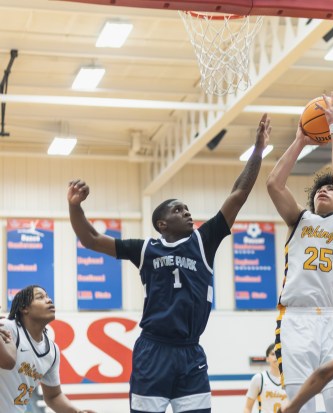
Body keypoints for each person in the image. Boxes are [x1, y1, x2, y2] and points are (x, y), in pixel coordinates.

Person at [67, 114, 271, 413]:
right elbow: (91, 239)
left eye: (188, 209)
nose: (188, 213)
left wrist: (257, 149)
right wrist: (75, 207)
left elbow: (238, 194)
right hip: (153, 350)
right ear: (162, 223)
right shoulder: (146, 249)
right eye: (179, 210)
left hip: (190, 351)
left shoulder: (203, 241)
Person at [266, 92, 333, 413]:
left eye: (331, 190)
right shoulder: (299, 220)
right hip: (295, 320)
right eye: (319, 189)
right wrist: (299, 141)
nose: (324, 189)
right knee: (302, 406)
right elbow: (273, 185)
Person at [0, 286, 96, 413]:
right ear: (24, 308)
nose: (49, 300)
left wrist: (77, 412)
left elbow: (53, 396)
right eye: (40, 297)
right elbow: (7, 362)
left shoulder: (52, 351)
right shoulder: (7, 327)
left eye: (48, 297)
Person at [244, 343, 287, 413]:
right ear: (267, 359)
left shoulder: (290, 380)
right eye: (273, 354)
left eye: (279, 354)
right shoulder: (259, 378)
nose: (276, 356)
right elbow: (247, 408)